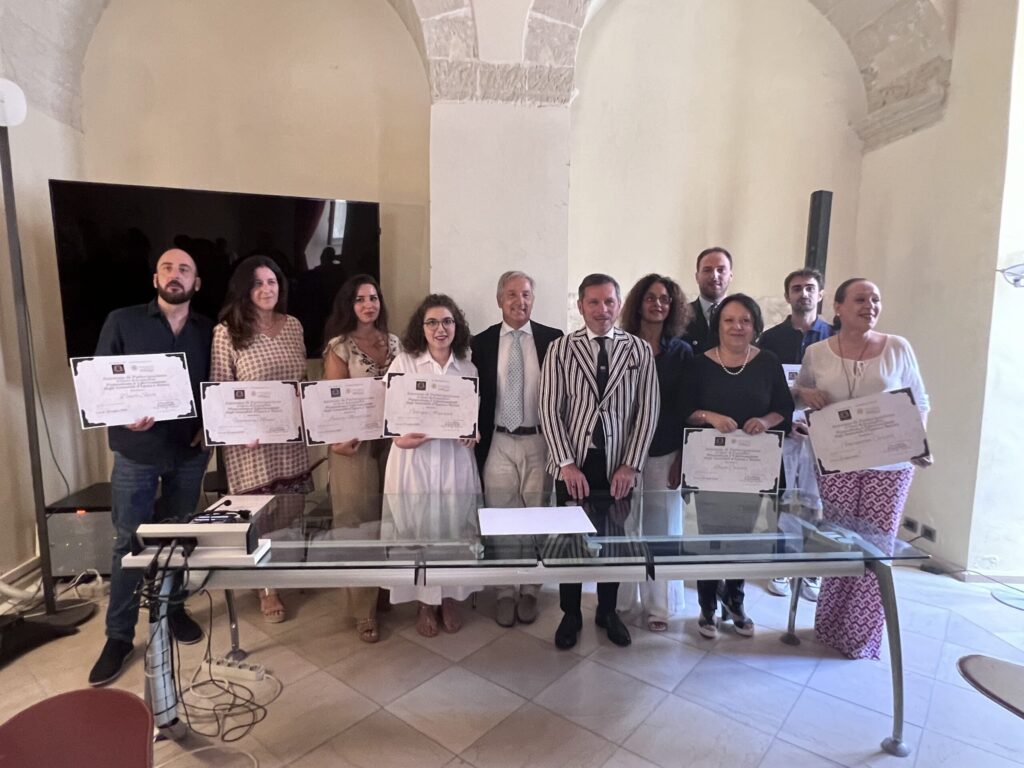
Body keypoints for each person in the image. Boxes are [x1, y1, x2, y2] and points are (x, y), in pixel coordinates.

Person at [89, 248, 212, 687]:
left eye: (185, 270)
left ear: (196, 283)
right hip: (136, 451)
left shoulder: (210, 330)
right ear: (155, 278)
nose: (175, 275)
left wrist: (211, 425)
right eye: (167, 268)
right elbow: (99, 381)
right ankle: (119, 636)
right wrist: (124, 415)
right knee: (128, 542)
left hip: (189, 453)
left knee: (178, 537)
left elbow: (218, 385)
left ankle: (173, 610)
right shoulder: (121, 321)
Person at [796, 278, 931, 660]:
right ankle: (830, 626)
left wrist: (918, 442)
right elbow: (798, 394)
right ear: (838, 307)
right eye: (860, 299)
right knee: (838, 542)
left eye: (875, 299)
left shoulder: (898, 347)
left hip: (889, 467)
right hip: (836, 463)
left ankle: (860, 637)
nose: (869, 305)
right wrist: (805, 394)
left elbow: (920, 400)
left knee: (875, 549)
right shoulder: (817, 352)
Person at [540, 274, 659, 650]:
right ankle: (570, 613)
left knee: (614, 541)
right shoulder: (561, 349)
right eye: (593, 302)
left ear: (619, 305)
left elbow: (648, 411)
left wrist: (631, 464)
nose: (602, 309)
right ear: (580, 306)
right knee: (569, 541)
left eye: (609, 301)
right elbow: (549, 409)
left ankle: (608, 611)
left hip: (618, 464)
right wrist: (566, 463)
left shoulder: (639, 350)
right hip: (574, 462)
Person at [682, 293, 794, 639]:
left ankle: (735, 601)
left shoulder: (768, 362)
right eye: (729, 320)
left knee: (742, 539)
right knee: (710, 539)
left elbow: (784, 409)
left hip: (752, 471)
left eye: (745, 320)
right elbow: (684, 411)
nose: (737, 327)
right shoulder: (699, 364)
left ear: (755, 326)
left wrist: (765, 420)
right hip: (710, 470)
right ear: (718, 325)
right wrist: (709, 416)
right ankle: (707, 606)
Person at [210, 255, 311, 623]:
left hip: (289, 439)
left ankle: (279, 569)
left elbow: (302, 380)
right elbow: (220, 391)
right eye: (258, 283)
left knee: (289, 509)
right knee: (259, 514)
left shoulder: (294, 326)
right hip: (249, 444)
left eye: (272, 282)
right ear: (244, 289)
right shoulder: (227, 331)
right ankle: (266, 586)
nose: (267, 289)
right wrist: (239, 431)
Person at [382, 294, 482, 637]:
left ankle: (450, 597)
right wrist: (399, 439)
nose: (441, 329)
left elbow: (471, 418)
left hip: (454, 460)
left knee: (454, 526)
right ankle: (425, 603)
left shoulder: (467, 367)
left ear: (457, 326)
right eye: (432, 322)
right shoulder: (404, 363)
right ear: (421, 328)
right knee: (416, 530)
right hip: (415, 460)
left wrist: (473, 434)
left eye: (448, 321)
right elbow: (390, 417)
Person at [471, 271, 563, 627]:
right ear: (499, 300)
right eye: (511, 294)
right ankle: (506, 590)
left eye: (526, 294)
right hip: (498, 440)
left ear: (533, 299)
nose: (519, 301)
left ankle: (531, 588)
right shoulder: (481, 342)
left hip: (539, 440)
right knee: (502, 516)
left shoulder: (553, 340)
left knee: (537, 514)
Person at [322, 275, 400, 643]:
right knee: (356, 522)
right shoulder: (339, 347)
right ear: (348, 306)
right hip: (352, 445)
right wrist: (336, 441)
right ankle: (362, 609)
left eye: (373, 298)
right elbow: (332, 401)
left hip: (393, 442)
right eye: (359, 299)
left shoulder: (395, 342)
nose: (368, 305)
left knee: (388, 518)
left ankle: (383, 590)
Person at [616, 274, 693, 632]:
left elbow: (686, 407)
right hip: (622, 454)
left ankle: (658, 607)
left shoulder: (681, 352)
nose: (658, 304)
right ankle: (621, 601)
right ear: (638, 303)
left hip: (665, 452)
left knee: (660, 530)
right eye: (651, 297)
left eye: (664, 298)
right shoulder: (619, 346)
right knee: (623, 526)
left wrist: (682, 456)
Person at [757, 268, 833, 601]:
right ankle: (781, 565)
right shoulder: (770, 339)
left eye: (810, 288)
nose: (804, 293)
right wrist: (785, 420)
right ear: (788, 295)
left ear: (821, 294)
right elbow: (765, 388)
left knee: (818, 504)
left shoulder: (834, 337)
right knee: (783, 501)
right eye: (797, 288)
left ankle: (812, 570)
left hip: (825, 435)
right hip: (784, 432)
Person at [683, 247, 733, 355]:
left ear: (730, 276)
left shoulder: (743, 318)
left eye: (721, 270)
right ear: (697, 277)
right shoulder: (681, 315)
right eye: (707, 270)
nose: (714, 276)